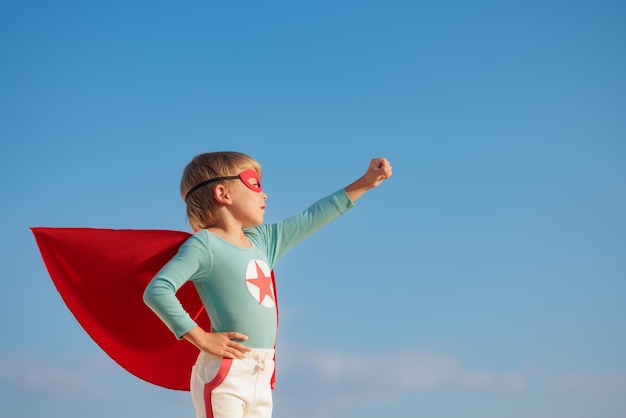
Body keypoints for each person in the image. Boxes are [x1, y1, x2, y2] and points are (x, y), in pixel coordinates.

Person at [143, 151, 392, 418]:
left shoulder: (264, 240)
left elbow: (313, 216)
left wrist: (365, 182)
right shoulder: (205, 245)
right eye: (254, 183)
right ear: (222, 193)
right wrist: (201, 338)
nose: (265, 194)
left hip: (261, 374)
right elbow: (158, 290)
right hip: (226, 372)